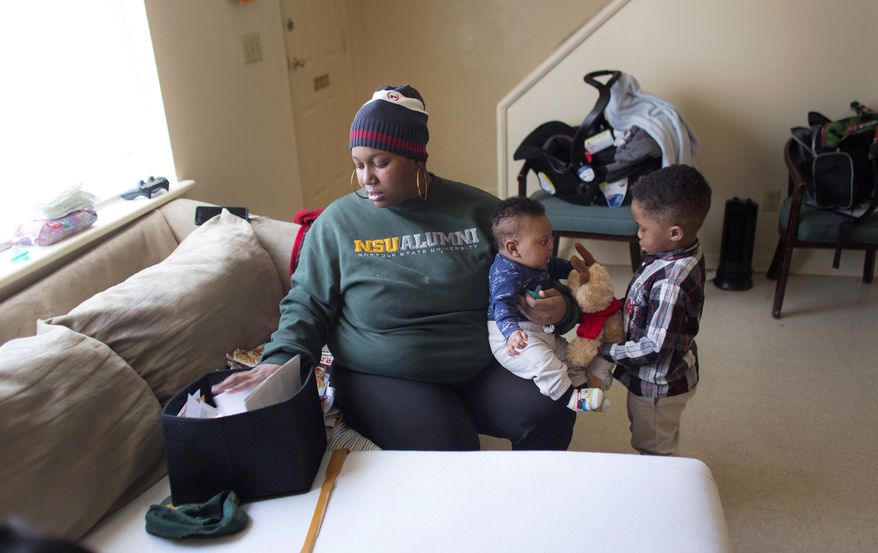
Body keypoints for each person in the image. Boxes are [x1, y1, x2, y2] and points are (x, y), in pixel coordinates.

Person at [212, 84, 581, 450]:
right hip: (384, 374)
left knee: (552, 409)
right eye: (358, 164)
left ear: (416, 158)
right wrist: (278, 362)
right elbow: (308, 303)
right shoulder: (338, 223)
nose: (366, 177)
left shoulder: (479, 210)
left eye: (380, 162)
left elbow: (542, 272)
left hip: (481, 363)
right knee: (450, 444)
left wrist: (561, 307)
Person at [598, 164, 711, 456]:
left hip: (659, 387)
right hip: (656, 378)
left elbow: (654, 348)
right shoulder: (673, 251)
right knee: (646, 432)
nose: (637, 234)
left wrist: (607, 351)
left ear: (674, 232)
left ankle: (662, 490)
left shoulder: (672, 282)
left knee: (654, 448)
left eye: (643, 227)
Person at [487, 196, 604, 412]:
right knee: (545, 364)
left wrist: (574, 269)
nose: (550, 247)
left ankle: (582, 387)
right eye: (543, 242)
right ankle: (571, 399)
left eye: (551, 239)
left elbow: (556, 267)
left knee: (567, 354)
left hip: (541, 332)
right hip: (514, 340)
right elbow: (501, 306)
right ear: (513, 248)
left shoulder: (536, 259)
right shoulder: (506, 273)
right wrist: (511, 333)